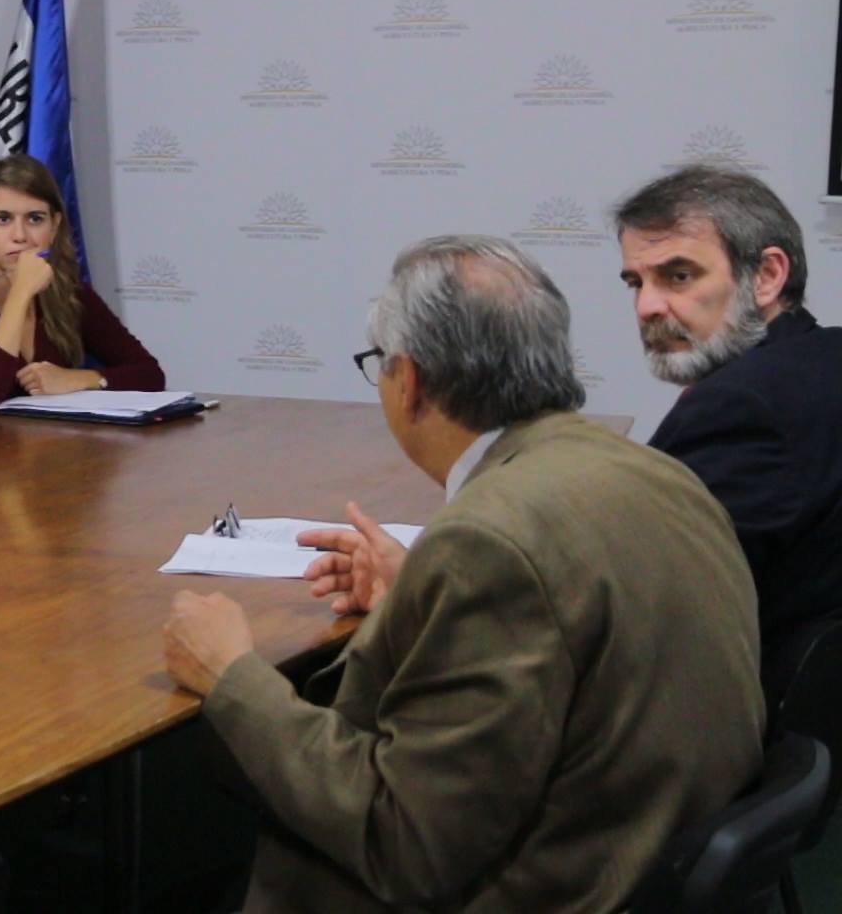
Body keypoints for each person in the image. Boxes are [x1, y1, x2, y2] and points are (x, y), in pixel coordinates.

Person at [163, 235, 763, 911]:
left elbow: (405, 847)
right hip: (648, 853)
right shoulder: (655, 471)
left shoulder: (487, 542)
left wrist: (231, 676)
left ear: (410, 382)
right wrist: (418, 590)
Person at [614, 166, 842, 679]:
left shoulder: (743, 407)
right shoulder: (826, 357)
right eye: (636, 282)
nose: (647, 307)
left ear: (767, 276)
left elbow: (649, 602)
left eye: (678, 276)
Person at [0, 154, 163, 412]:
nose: (20, 236)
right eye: (3, 219)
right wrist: (21, 293)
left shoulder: (70, 294)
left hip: (54, 437)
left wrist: (78, 379)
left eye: (35, 219)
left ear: (54, 227)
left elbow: (149, 374)